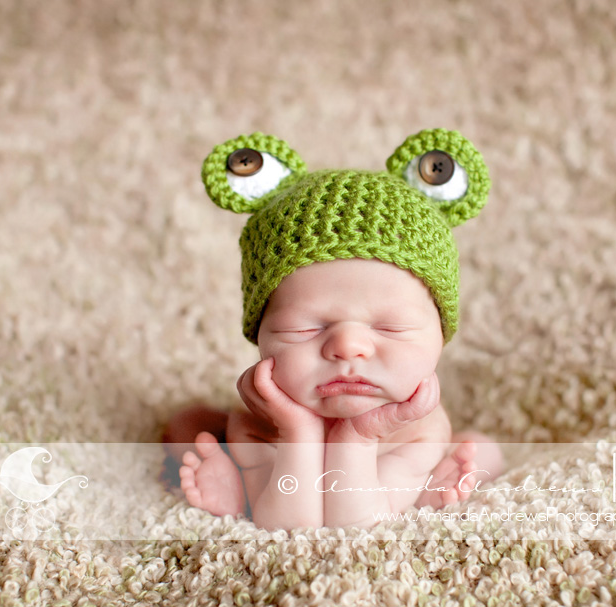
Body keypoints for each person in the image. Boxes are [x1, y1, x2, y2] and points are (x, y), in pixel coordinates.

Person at [163, 129, 504, 529]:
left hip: (391, 459)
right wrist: (297, 431)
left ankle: (423, 488)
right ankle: (244, 488)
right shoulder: (259, 425)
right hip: (275, 439)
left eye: (391, 328)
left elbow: (355, 523)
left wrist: (359, 437)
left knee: (480, 450)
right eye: (304, 329)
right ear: (260, 333)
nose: (348, 346)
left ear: (441, 334)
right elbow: (294, 528)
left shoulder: (419, 432)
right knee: (188, 425)